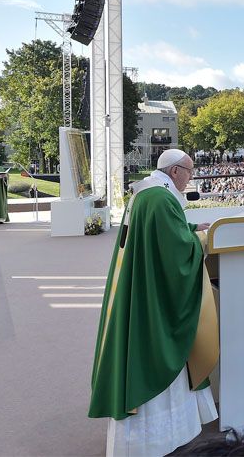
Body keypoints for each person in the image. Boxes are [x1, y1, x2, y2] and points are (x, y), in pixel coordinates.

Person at [89, 149, 219, 456]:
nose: (190, 177)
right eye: (189, 171)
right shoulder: (161, 199)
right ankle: (155, 439)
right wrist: (201, 239)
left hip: (140, 284)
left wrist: (188, 229)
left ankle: (156, 437)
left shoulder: (148, 192)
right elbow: (175, 253)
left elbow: (160, 235)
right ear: (175, 172)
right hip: (155, 296)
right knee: (157, 351)